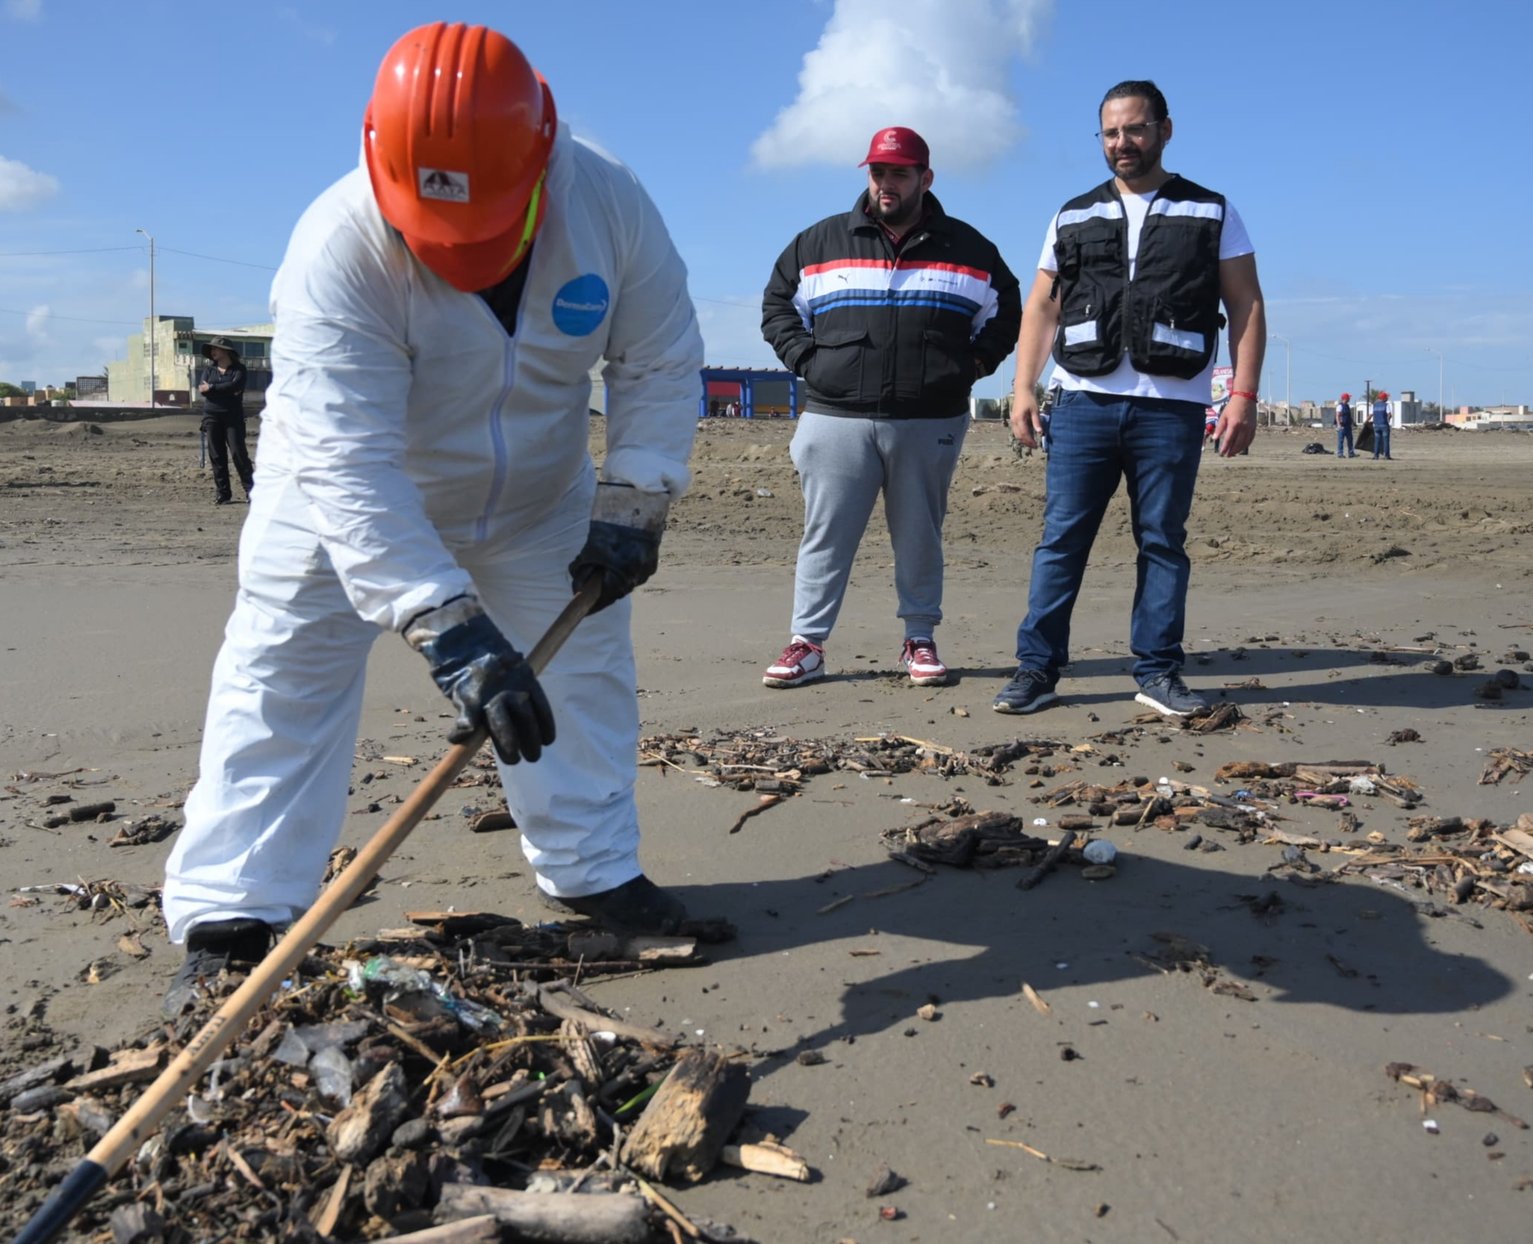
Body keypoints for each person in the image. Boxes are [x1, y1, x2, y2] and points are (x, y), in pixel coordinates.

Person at [160, 22, 706, 1013]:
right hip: (336, 500)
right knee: (281, 678)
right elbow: (351, 461)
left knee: (583, 675)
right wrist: (439, 619)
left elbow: (658, 358)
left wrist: (635, 496)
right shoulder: (336, 245)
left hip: (537, 496)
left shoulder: (610, 202)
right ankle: (232, 914)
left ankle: (592, 871)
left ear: (541, 159)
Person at [994, 79, 1265, 718]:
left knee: (1163, 542)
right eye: (1112, 132)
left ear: (1164, 130)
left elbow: (1246, 304)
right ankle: (1037, 670)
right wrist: (1023, 387)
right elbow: (1043, 307)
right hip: (1081, 404)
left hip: (1171, 409)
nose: (1123, 142)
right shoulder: (1072, 215)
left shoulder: (1212, 211)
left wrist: (1243, 395)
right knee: (1061, 540)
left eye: (1136, 129)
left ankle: (1158, 672)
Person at [760, 126, 1020, 689]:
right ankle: (808, 643)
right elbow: (778, 305)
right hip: (834, 416)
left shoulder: (970, 249)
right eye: (878, 172)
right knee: (825, 533)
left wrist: (970, 367)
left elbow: (1006, 312)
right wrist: (808, 361)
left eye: (899, 173)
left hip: (930, 419)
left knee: (920, 534)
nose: (886, 183)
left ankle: (919, 638)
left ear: (925, 179)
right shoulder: (819, 242)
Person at [197, 337, 254, 503]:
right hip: (211, 417)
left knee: (238, 454)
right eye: (212, 349)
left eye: (216, 348)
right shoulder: (209, 370)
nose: (213, 351)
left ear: (226, 351)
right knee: (217, 455)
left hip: (233, 417)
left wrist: (213, 388)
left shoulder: (239, 369)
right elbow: (203, 390)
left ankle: (252, 491)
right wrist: (223, 390)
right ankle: (223, 493)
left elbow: (236, 386)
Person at [1370, 390, 1393, 460]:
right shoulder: (1386, 405)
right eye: (1387, 397)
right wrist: (1388, 420)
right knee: (1385, 441)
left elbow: (1371, 415)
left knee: (1377, 441)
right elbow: (1389, 414)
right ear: (1384, 398)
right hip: (1384, 425)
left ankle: (1376, 456)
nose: (1387, 398)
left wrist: (1366, 421)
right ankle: (1386, 456)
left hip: (1376, 425)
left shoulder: (1374, 405)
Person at [1335, 392, 1354, 458]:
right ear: (1345, 398)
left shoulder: (1347, 406)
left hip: (1348, 426)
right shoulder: (1340, 406)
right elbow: (1337, 416)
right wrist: (1339, 425)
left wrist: (1352, 423)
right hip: (1342, 426)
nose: (1349, 399)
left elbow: (1349, 416)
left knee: (1350, 440)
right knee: (1341, 440)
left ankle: (1351, 453)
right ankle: (1340, 453)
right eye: (1348, 397)